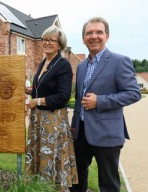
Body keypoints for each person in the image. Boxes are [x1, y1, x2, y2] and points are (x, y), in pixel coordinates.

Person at [70, 17, 141, 192]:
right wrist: (74, 127)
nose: (94, 36)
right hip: (81, 134)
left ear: (107, 36)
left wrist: (99, 101)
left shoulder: (120, 61)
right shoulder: (81, 66)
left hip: (107, 134)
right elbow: (79, 100)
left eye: (99, 32)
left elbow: (133, 93)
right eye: (89, 33)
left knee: (108, 184)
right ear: (83, 38)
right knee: (76, 179)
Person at [25, 25, 78, 191]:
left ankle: (53, 187)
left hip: (52, 121)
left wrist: (36, 101)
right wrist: (28, 91)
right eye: (45, 39)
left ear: (59, 44)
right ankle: (40, 187)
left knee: (50, 155)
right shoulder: (43, 63)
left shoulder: (63, 65)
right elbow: (43, 88)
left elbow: (63, 97)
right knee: (39, 153)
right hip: (39, 119)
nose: (47, 43)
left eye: (51, 40)